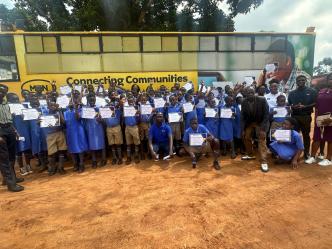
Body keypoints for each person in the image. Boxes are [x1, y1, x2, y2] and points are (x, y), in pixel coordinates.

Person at [0, 85, 24, 192]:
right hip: (1, 131)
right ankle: (11, 184)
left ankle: (10, 178)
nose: (3, 94)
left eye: (4, 92)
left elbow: (9, 119)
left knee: (11, 156)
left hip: (9, 129)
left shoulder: (6, 104)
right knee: (3, 158)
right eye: (1, 92)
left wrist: (15, 131)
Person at [241, 87, 270, 172]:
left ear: (255, 93)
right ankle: (250, 154)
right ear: (245, 93)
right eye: (248, 93)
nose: (250, 94)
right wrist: (242, 129)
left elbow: (266, 115)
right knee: (246, 137)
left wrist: (263, 129)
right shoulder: (244, 101)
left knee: (261, 139)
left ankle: (264, 160)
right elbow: (243, 116)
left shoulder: (262, 100)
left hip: (261, 122)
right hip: (250, 123)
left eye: (252, 92)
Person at [305, 73, 332, 166]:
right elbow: (315, 104)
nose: (331, 80)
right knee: (316, 137)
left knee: (330, 138)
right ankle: (313, 156)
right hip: (319, 119)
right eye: (330, 79)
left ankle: (328, 159)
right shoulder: (321, 91)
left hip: (330, 119)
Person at [288, 75, 317, 159]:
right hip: (295, 117)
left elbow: (315, 103)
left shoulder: (312, 91)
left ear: (305, 81)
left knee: (306, 135)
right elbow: (289, 105)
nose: (301, 81)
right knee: (294, 135)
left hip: (306, 116)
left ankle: (306, 153)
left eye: (303, 80)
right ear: (296, 82)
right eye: (299, 80)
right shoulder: (292, 93)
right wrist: (293, 107)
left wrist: (305, 106)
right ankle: (294, 153)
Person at [42, 101, 67, 175]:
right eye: (51, 106)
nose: (53, 107)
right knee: (51, 153)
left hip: (59, 133)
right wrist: (44, 122)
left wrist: (59, 111)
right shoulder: (45, 114)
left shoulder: (58, 113)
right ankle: (53, 168)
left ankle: (61, 167)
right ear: (48, 107)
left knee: (61, 151)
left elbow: (64, 123)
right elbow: (39, 122)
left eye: (54, 106)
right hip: (50, 135)